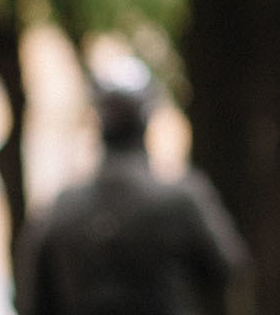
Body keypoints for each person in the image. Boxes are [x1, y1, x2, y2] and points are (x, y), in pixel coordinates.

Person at [16, 78, 248, 315]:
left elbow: (32, 299)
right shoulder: (182, 199)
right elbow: (228, 270)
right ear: (146, 119)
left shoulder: (59, 209)